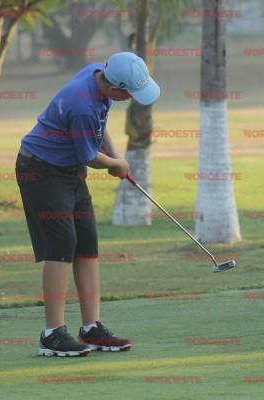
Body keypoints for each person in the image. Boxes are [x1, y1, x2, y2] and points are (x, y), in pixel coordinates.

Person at [16, 52, 160, 356]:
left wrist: (117, 155)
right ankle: (52, 335)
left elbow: (99, 128)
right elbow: (89, 156)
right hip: (40, 170)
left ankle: (91, 328)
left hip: (67, 171)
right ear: (115, 88)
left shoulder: (98, 73)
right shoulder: (81, 104)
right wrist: (115, 164)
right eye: (129, 94)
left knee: (87, 243)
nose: (129, 99)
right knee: (62, 244)